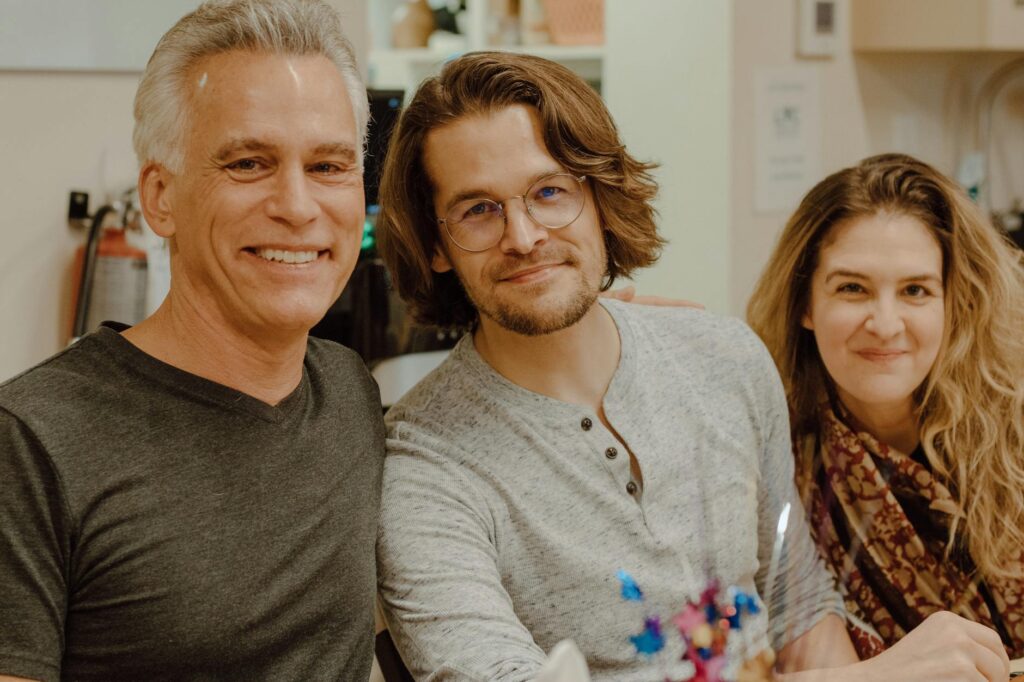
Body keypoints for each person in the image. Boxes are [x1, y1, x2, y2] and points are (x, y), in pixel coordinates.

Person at [373, 52, 1008, 682]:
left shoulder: (724, 358)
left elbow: (796, 609)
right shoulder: (424, 464)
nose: (524, 235)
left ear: (599, 198)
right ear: (434, 245)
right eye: (477, 209)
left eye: (549, 191)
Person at [0, 1, 384, 680]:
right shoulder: (30, 442)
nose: (297, 206)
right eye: (248, 164)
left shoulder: (350, 393)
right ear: (160, 197)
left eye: (329, 166)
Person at [747, 154, 1024, 663]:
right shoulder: (769, 456)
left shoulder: (1014, 431)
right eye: (853, 288)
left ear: (952, 302)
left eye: (915, 290)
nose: (886, 323)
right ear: (806, 304)